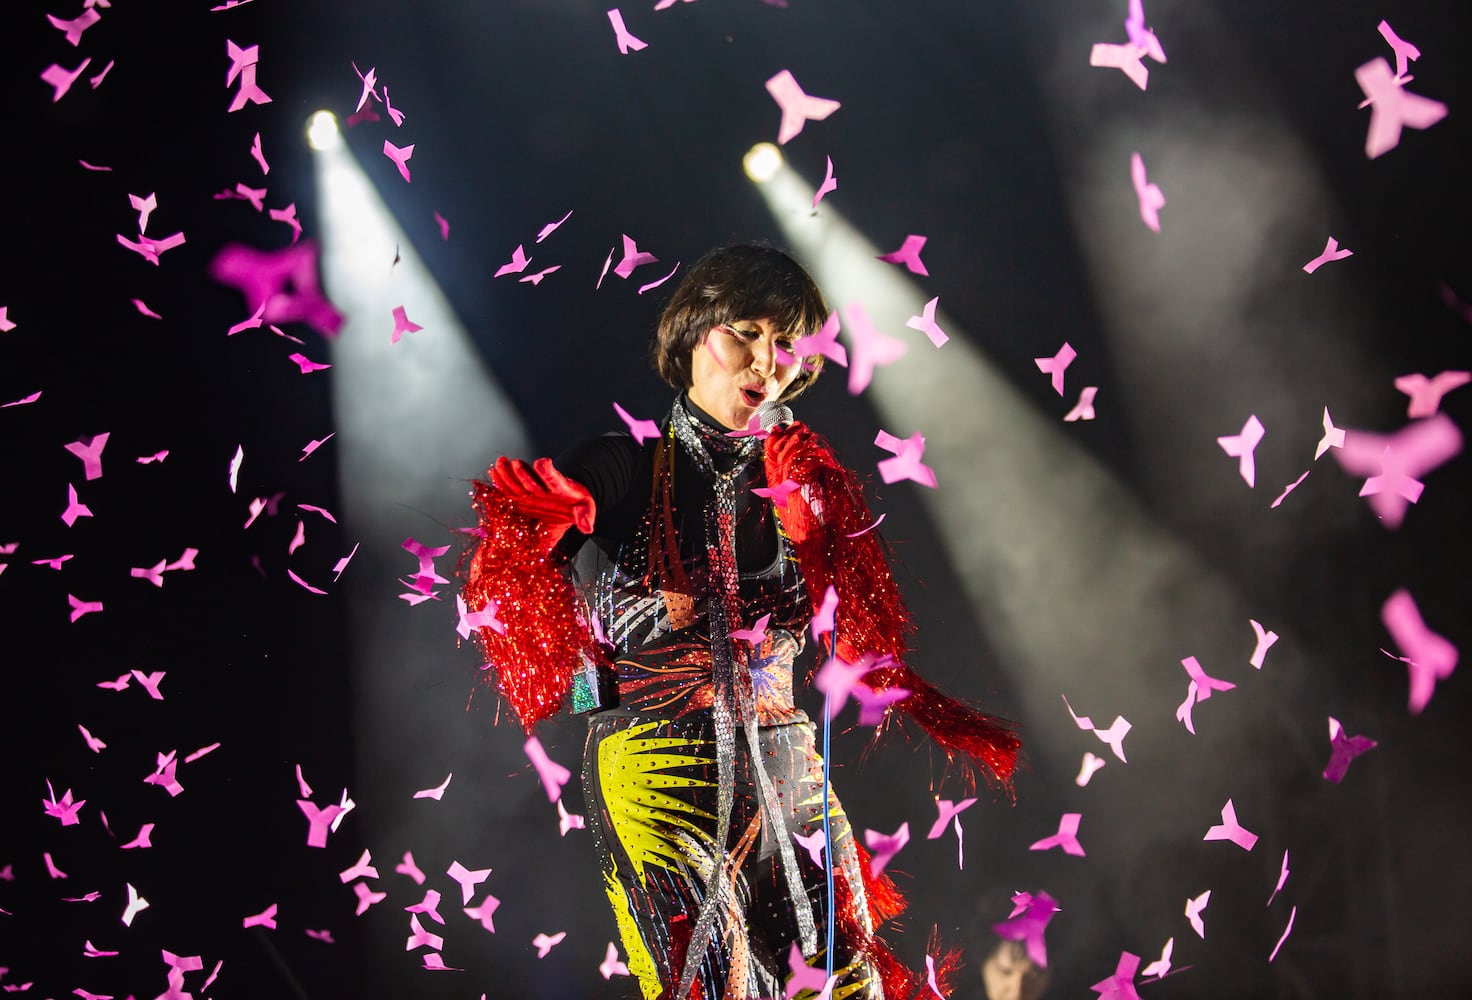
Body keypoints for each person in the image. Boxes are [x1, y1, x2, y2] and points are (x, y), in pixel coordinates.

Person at [462, 244, 1020, 999]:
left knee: (850, 977)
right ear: (696, 334)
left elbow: (863, 648)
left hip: (787, 763)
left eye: (787, 344)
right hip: (657, 767)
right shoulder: (622, 466)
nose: (768, 361)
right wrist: (530, 543)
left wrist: (816, 536)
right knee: (711, 979)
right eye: (747, 334)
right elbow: (509, 590)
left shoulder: (804, 480)